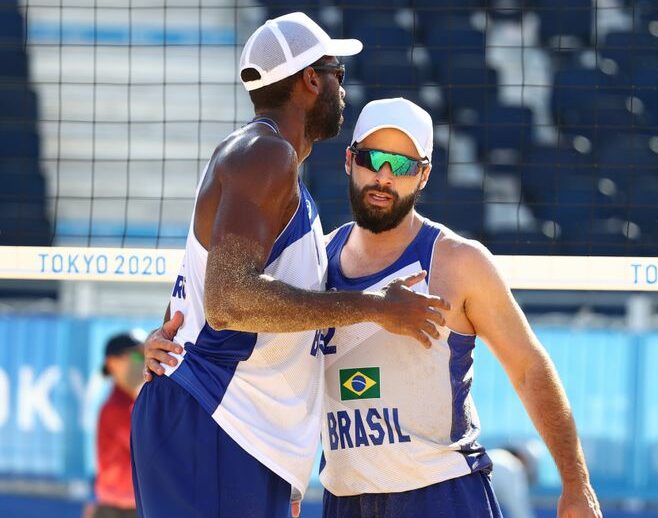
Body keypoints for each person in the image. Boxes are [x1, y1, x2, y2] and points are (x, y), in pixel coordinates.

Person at [144, 98, 602, 518]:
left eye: (401, 165)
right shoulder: (314, 262)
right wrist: (168, 347)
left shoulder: (457, 262)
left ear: (423, 175)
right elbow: (255, 343)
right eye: (371, 159)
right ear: (349, 161)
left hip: (440, 493)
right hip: (346, 499)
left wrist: (575, 482)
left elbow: (528, 368)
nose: (383, 176)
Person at [131, 14, 449, 518]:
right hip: (216, 419)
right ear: (310, 80)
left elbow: (214, 299)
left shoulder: (271, 169)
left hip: (240, 432)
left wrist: (289, 463)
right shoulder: (264, 154)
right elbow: (229, 301)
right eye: (337, 73)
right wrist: (378, 309)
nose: (343, 88)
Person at [86, 333, 144, 518]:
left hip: (129, 506)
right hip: (117, 509)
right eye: (136, 355)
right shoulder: (114, 409)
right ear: (112, 363)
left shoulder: (135, 403)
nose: (142, 360)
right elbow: (147, 449)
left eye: (144, 355)